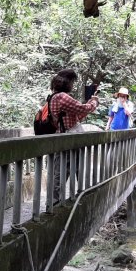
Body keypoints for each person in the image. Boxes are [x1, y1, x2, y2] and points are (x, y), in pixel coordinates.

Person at [48, 70, 99, 203]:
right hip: (66, 137)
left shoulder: (56, 96)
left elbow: (77, 116)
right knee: (63, 169)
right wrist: (93, 103)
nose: (73, 85)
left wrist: (89, 104)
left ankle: (66, 198)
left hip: (67, 136)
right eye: (72, 82)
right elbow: (81, 108)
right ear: (67, 82)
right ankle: (56, 200)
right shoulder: (62, 97)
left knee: (71, 167)